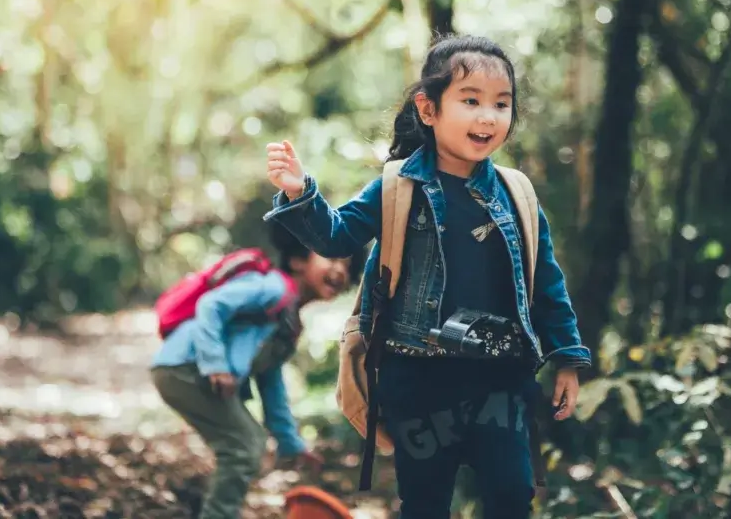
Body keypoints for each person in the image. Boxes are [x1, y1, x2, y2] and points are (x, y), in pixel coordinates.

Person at [263, 34, 591, 519]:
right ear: (429, 108)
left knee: (511, 495)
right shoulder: (397, 187)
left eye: (502, 104)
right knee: (425, 502)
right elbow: (336, 237)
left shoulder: (516, 194)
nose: (488, 116)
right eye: (471, 100)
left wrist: (567, 358)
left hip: (499, 381)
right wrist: (299, 193)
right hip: (419, 380)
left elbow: (547, 282)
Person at [150, 226, 363, 519]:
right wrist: (216, 365)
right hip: (183, 366)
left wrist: (291, 443)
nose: (339, 271)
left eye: (347, 267)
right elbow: (211, 306)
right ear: (299, 260)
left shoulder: (288, 323)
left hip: (185, 370)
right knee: (244, 445)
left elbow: (271, 384)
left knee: (243, 445)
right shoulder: (272, 287)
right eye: (331, 259)